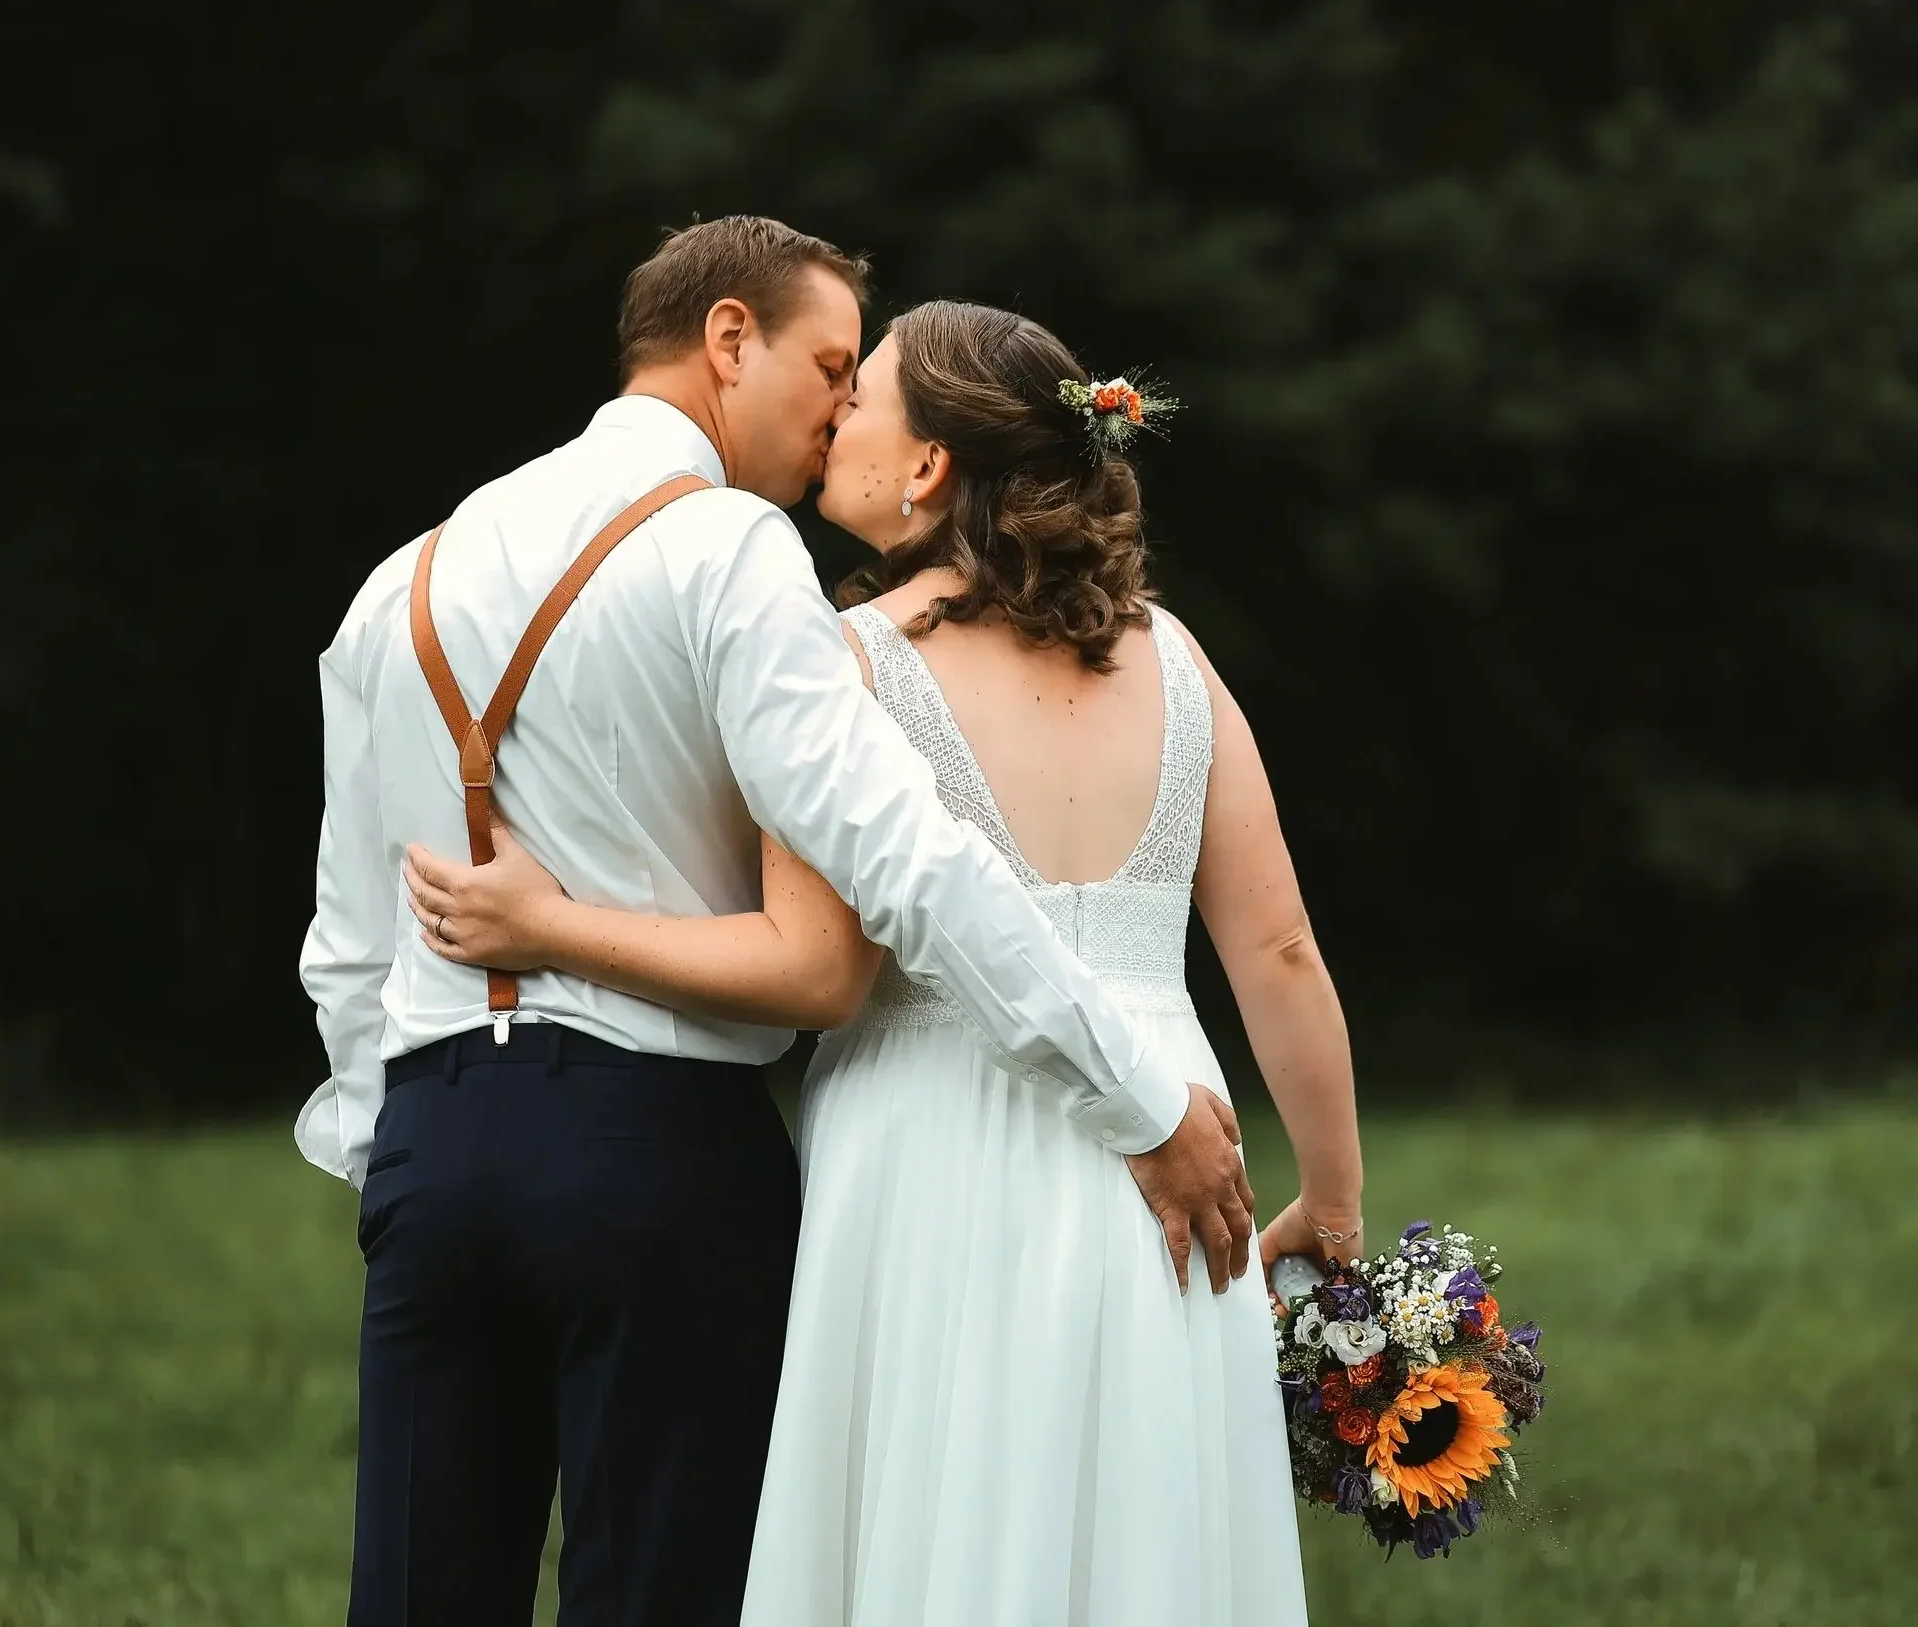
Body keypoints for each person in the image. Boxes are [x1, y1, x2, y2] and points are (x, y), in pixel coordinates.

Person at [295, 219, 1256, 1627]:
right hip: (656, 1155)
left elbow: (346, 945)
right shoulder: (728, 551)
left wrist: (410, 1154)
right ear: (729, 338)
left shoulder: (405, 576)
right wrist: (1133, 1096)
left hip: (434, 1161)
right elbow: (906, 862)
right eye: (825, 364)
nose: (834, 411)